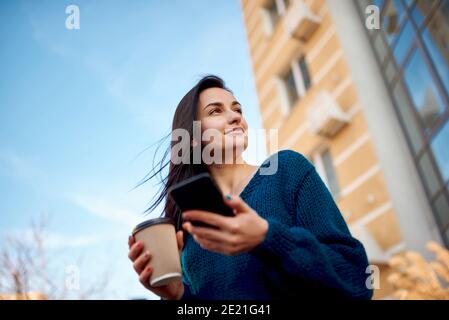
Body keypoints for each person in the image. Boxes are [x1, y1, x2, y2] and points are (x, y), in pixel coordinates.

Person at [127, 75, 373, 300]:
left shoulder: (287, 170)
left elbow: (356, 280)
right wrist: (178, 295)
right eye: (215, 111)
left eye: (237, 110)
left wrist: (268, 238)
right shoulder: (191, 234)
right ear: (191, 137)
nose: (236, 117)